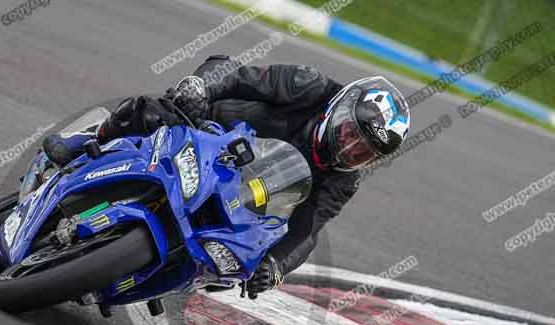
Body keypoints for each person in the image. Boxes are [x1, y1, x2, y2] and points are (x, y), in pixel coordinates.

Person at [42, 55, 410, 299]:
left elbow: (307, 229)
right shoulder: (308, 85)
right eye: (350, 133)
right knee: (150, 112)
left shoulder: (344, 181)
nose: (348, 148)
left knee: (230, 266)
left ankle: (141, 274)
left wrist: (276, 266)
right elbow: (237, 74)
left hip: (244, 191)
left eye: (362, 152)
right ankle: (88, 140)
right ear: (340, 110)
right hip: (207, 127)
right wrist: (201, 88)